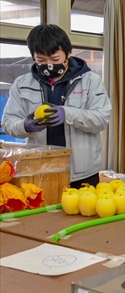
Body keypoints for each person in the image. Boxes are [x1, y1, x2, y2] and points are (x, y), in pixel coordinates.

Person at [2, 24, 112, 188]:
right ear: (33, 57)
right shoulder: (22, 84)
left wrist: (68, 114)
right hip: (39, 170)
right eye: (41, 60)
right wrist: (26, 126)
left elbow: (102, 119)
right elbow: (8, 122)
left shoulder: (90, 81)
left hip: (82, 172)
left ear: (68, 53)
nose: (49, 65)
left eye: (55, 59)